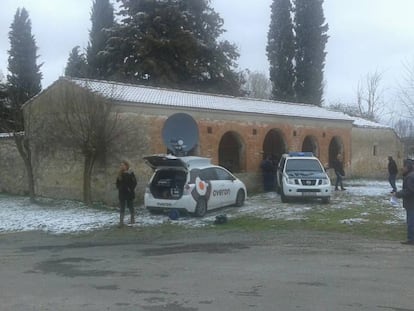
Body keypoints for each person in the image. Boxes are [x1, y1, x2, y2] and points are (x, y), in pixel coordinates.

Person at [394, 159, 414, 245]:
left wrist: (398, 194)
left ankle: (411, 239)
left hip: (411, 203)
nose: (402, 168)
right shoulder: (410, 175)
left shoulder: (410, 177)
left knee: (411, 222)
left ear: (407, 167)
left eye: (404, 166)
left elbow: (410, 190)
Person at [116, 160, 137, 227]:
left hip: (129, 193)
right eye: (121, 165)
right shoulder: (120, 173)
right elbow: (117, 183)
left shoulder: (130, 173)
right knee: (122, 207)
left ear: (126, 166)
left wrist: (130, 189)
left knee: (130, 206)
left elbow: (134, 182)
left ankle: (132, 219)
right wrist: (119, 188)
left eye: (123, 165)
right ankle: (121, 222)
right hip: (122, 193)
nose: (122, 166)